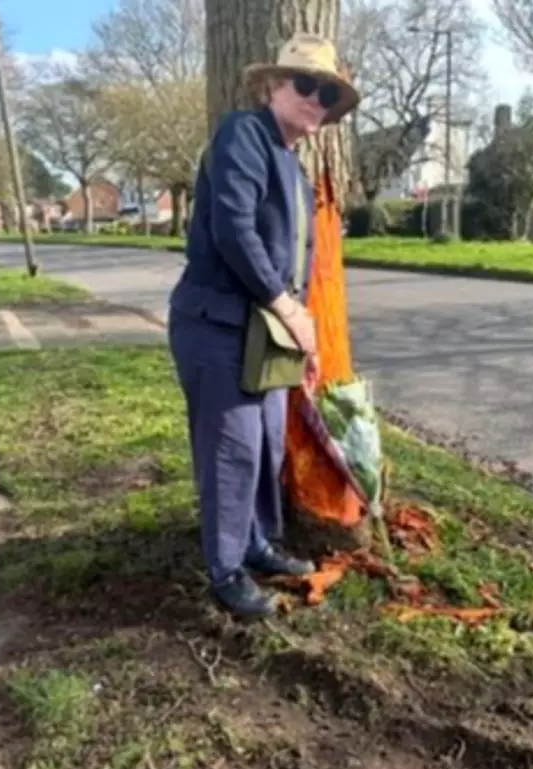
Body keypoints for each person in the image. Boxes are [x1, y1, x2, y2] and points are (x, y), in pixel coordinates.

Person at [167, 33, 360, 618]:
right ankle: (225, 570)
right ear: (273, 86)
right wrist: (289, 308)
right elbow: (233, 229)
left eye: (326, 92)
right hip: (216, 325)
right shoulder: (242, 136)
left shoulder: (295, 169)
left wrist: (305, 340)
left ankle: (256, 543)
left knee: (268, 442)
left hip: (267, 336)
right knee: (232, 450)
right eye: (304, 84)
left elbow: (295, 265)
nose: (315, 99)